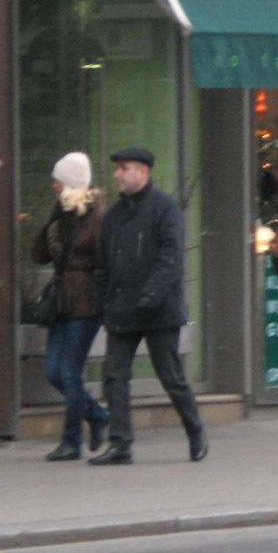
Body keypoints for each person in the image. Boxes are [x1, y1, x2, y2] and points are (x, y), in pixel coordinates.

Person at [89, 147, 207, 465]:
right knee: (114, 376)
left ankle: (196, 433)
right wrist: (106, 296)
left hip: (158, 311)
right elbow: (103, 261)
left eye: (124, 168)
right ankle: (120, 445)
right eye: (118, 169)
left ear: (143, 173)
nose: (117, 174)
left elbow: (170, 260)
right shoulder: (113, 215)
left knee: (170, 377)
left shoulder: (165, 208)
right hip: (122, 309)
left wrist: (150, 296)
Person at [31, 152, 108, 462]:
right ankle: (97, 414)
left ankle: (71, 441)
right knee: (54, 372)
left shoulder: (99, 217)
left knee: (71, 372)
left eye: (58, 180)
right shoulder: (60, 215)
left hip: (87, 303)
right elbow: (39, 256)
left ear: (71, 182)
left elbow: (107, 261)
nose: (54, 185)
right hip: (61, 302)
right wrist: (53, 221)